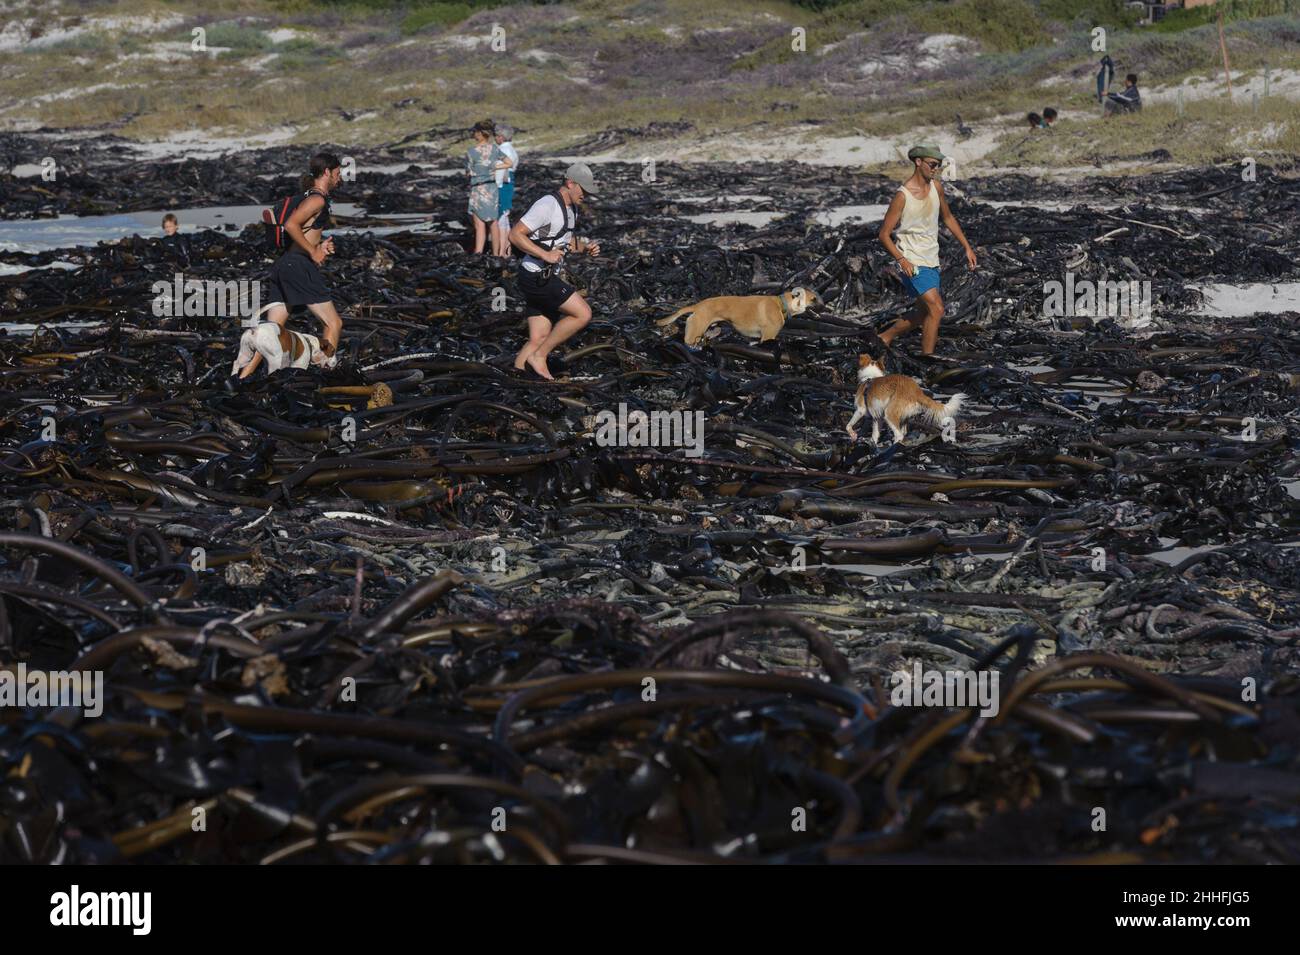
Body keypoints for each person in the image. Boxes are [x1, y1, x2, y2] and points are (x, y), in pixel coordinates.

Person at [239, 152, 343, 379]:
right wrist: (313, 251)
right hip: (297, 266)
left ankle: (243, 378)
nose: (340, 177)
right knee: (333, 323)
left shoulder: (307, 196)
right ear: (327, 172)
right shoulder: (317, 199)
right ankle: (327, 375)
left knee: (269, 332)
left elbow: (302, 231)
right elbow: (291, 225)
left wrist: (320, 247)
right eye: (337, 172)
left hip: (283, 266)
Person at [876, 144, 977, 357]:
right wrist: (902, 260)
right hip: (911, 260)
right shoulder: (902, 196)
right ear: (918, 162)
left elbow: (948, 218)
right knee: (937, 309)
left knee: (924, 314)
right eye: (932, 164)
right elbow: (884, 234)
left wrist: (967, 247)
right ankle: (927, 359)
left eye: (938, 166)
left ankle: (884, 337)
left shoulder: (936, 188)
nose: (935, 169)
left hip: (931, 258)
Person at [509, 162, 602, 380]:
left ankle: (515, 379)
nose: (586, 195)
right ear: (570, 183)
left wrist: (584, 248)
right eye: (584, 189)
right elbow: (515, 235)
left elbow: (563, 243)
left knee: (537, 337)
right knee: (583, 314)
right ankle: (539, 357)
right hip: (535, 276)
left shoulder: (572, 209)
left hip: (541, 276)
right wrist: (545, 255)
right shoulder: (547, 205)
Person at [466, 120, 503, 255]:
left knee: (479, 225)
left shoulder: (471, 151)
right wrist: (494, 167)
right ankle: (496, 254)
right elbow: (508, 162)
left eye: (475, 132)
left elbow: (468, 173)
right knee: (493, 223)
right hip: (491, 188)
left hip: (477, 188)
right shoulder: (495, 149)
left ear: (481, 133)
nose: (474, 134)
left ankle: (478, 252)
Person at [492, 124, 519, 258]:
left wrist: (495, 187)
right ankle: (507, 250)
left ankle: (502, 252)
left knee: (500, 218)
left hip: (503, 184)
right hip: (509, 184)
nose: (495, 138)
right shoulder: (512, 150)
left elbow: (501, 172)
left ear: (501, 137)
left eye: (496, 136)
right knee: (505, 217)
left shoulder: (503, 150)